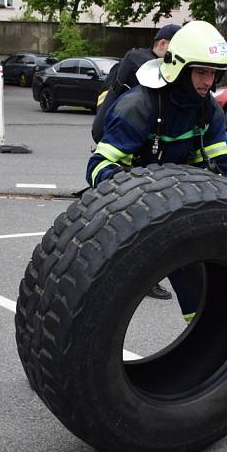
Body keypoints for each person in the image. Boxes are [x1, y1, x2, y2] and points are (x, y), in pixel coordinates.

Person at [85, 20, 227, 321]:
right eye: (201, 72)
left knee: (200, 285)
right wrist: (137, 194)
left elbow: (217, 169)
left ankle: (205, 343)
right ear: (179, 68)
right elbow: (97, 167)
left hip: (177, 207)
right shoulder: (138, 106)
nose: (208, 82)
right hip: (129, 210)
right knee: (96, 296)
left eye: (213, 73)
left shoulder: (209, 110)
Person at [91, 23, 181, 300]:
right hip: (126, 142)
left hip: (120, 139)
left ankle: (106, 269)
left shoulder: (126, 63)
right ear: (163, 44)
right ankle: (139, 278)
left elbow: (104, 94)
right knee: (140, 213)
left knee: (118, 211)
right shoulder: (139, 60)